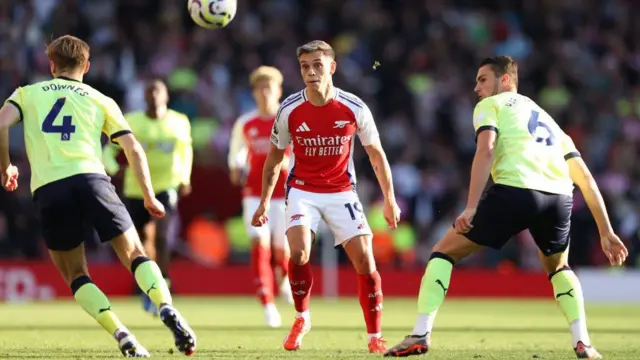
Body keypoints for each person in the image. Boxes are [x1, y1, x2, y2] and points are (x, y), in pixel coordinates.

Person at [384, 56, 628, 359]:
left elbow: (485, 150)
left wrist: (471, 207)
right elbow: (587, 179)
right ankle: (584, 342)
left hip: (515, 189)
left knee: (443, 252)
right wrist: (606, 231)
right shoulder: (548, 120)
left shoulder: (492, 105)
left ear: (506, 80)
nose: (476, 88)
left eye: (482, 79)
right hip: (558, 197)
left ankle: (420, 333)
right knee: (559, 268)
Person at [0, 35, 196, 357]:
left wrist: (6, 167)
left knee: (75, 273)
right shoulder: (101, 99)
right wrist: (149, 195)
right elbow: (132, 148)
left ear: (52, 65)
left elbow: (1, 124)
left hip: (50, 188)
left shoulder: (27, 94)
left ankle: (122, 334)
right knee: (135, 253)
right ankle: (165, 306)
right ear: (87, 66)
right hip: (93, 179)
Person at [252, 40, 401, 353]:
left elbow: (377, 155)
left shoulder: (354, 107)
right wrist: (265, 201)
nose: (311, 72)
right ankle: (302, 317)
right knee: (299, 253)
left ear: (332, 68)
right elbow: (274, 160)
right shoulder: (289, 109)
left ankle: (375, 336)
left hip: (341, 191)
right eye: (305, 66)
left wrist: (390, 199)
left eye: (317, 65)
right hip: (302, 190)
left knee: (365, 260)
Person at [102, 79, 193, 316]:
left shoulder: (179, 122)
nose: (153, 95)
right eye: (149, 91)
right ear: (144, 97)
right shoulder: (132, 121)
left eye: (158, 91)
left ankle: (163, 282)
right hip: (137, 188)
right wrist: (111, 169)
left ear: (166, 96)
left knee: (162, 236)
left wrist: (184, 177)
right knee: (141, 240)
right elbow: (109, 150)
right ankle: (148, 285)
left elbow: (186, 151)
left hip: (166, 186)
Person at [228, 66, 293, 328]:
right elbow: (237, 152)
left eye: (270, 87)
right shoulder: (246, 123)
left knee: (282, 250)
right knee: (259, 245)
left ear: (279, 90)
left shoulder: (288, 120)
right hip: (254, 195)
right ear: (254, 92)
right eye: (260, 88)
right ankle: (267, 303)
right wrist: (235, 166)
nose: (265, 92)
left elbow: (299, 153)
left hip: (284, 196)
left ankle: (285, 278)